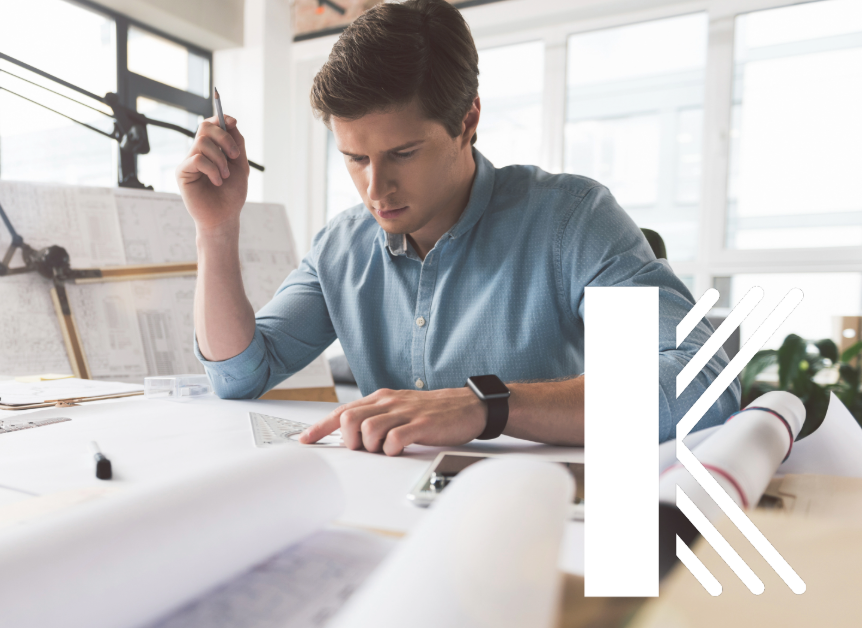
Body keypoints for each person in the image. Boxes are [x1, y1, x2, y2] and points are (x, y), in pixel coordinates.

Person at [176, 0, 738, 456]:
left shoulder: (571, 222)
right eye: (355, 159)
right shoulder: (342, 249)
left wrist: (485, 405)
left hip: (534, 524)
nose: (376, 189)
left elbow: (700, 385)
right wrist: (218, 229)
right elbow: (239, 375)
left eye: (403, 152)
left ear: (467, 120)